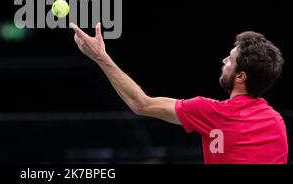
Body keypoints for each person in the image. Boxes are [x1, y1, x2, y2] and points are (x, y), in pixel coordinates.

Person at [69, 23, 288, 164]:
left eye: (230, 59)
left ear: (241, 77)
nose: (223, 61)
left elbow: (141, 104)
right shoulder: (277, 122)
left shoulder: (211, 112)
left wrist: (101, 57)